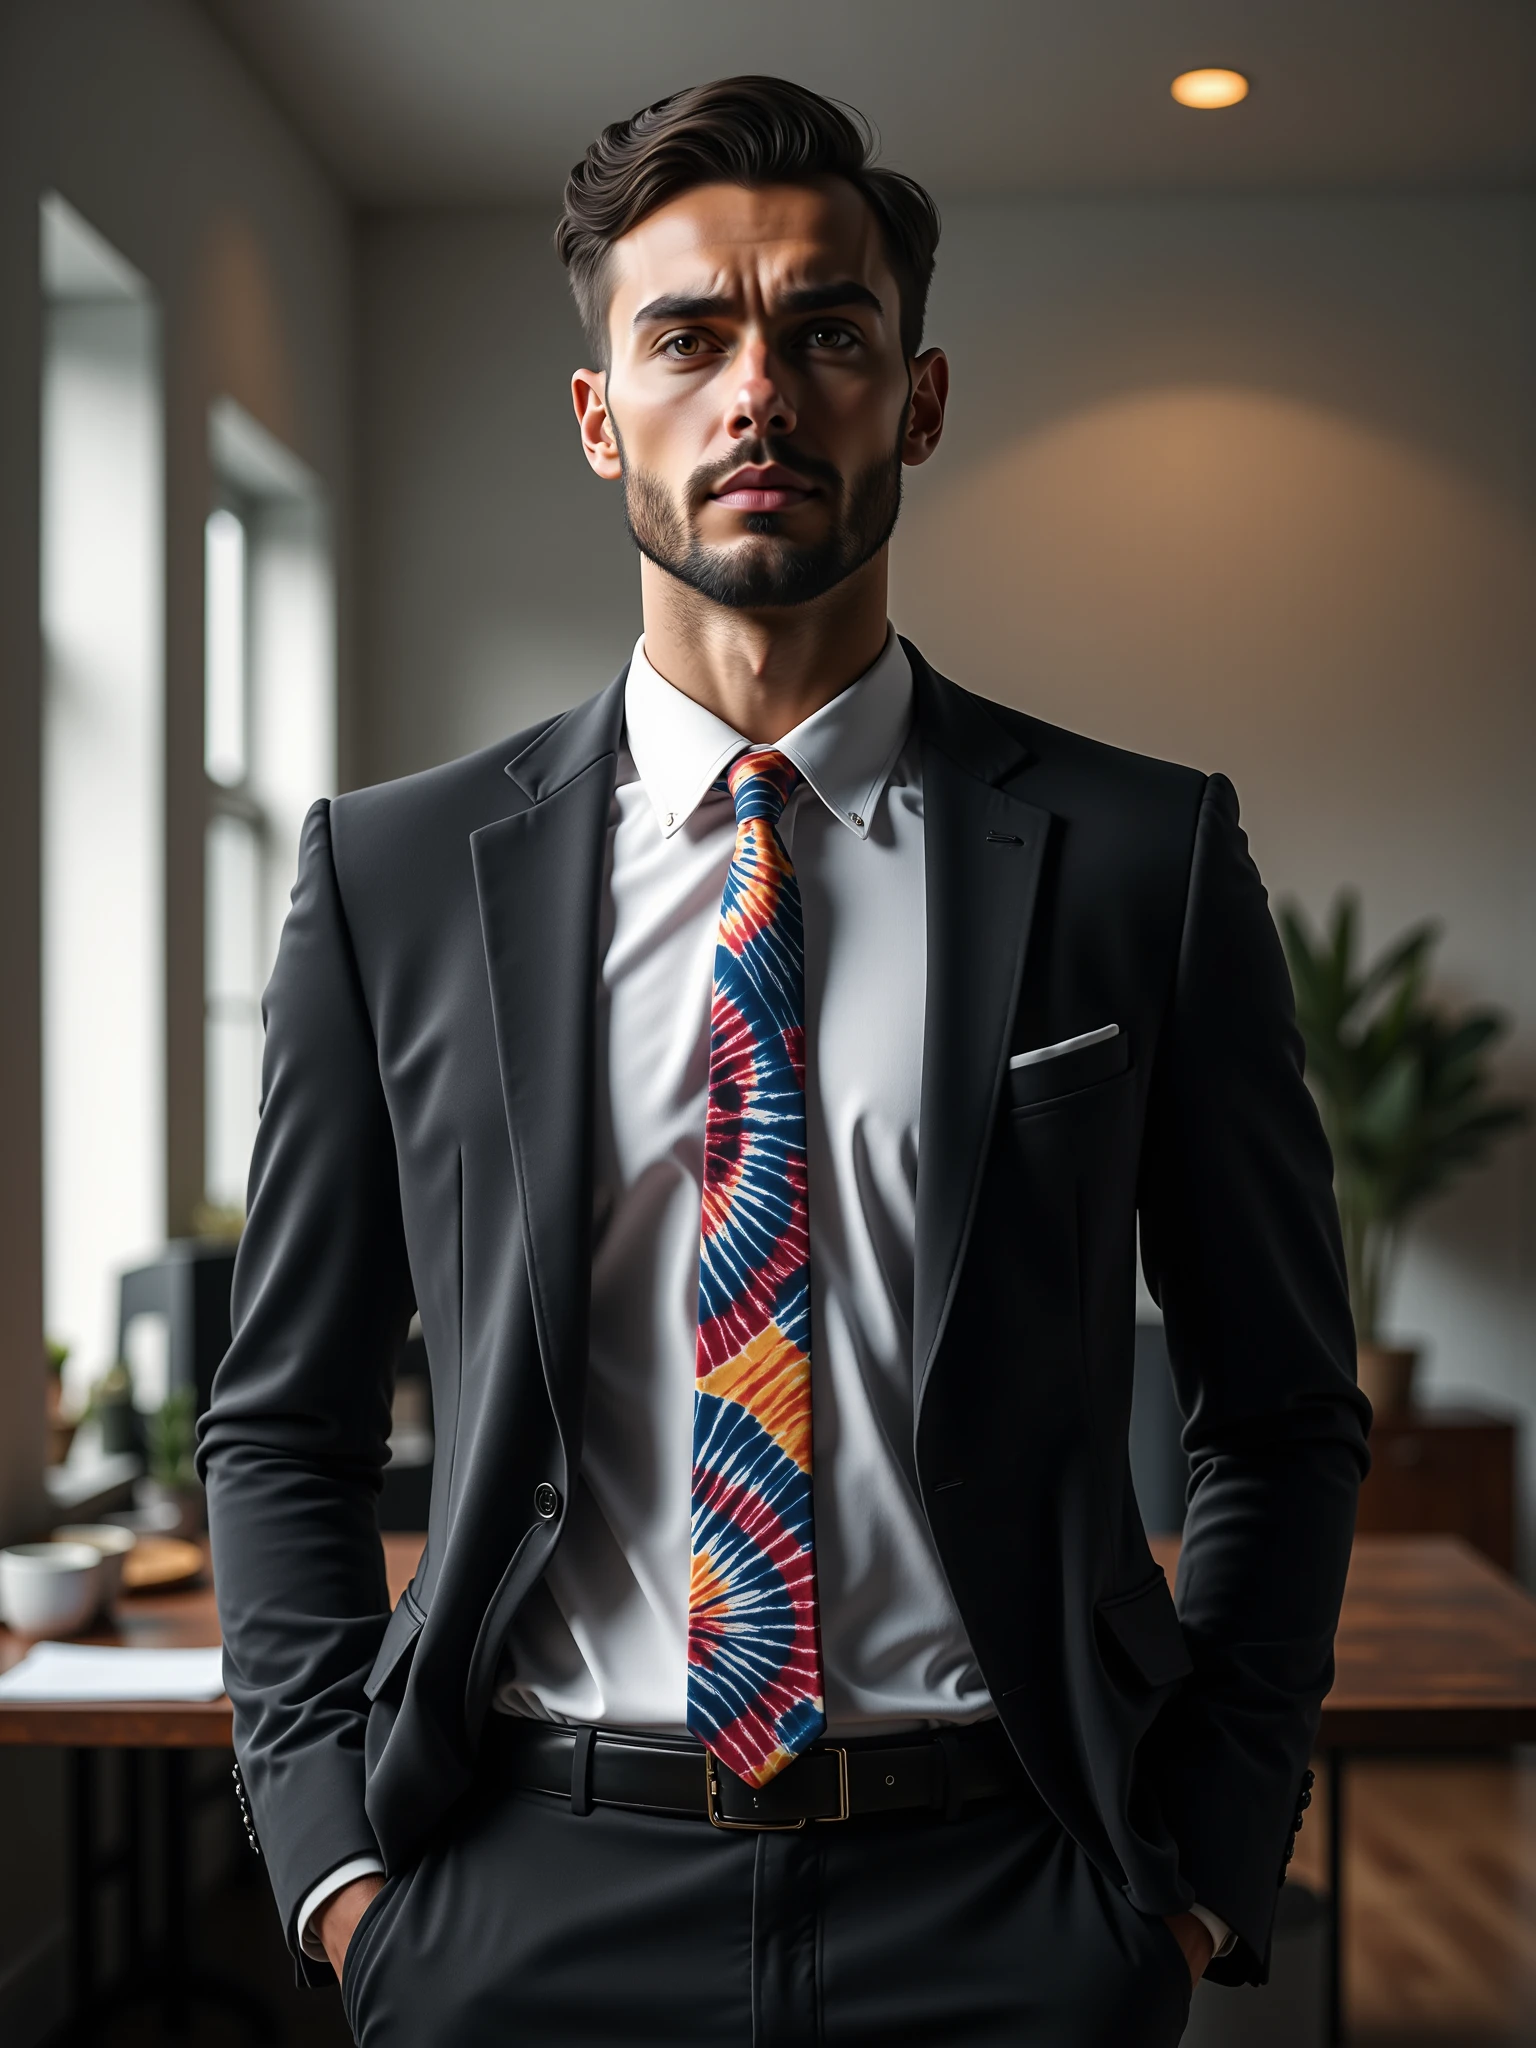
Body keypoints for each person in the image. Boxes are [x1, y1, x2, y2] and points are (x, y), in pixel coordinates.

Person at [198, 75, 1369, 2048]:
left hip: (1009, 1895)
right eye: (690, 336)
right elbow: (283, 1414)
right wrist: (343, 1881)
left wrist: (1187, 1875)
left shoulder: (1140, 860)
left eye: (826, 332)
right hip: (524, 1900)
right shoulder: (391, 878)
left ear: (913, 400)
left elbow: (1278, 1406)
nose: (762, 391)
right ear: (602, 418)